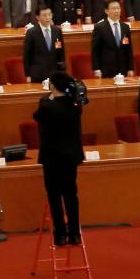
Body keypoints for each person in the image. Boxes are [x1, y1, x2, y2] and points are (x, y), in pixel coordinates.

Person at [34, 72, 85, 245]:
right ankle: (74, 233)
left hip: (52, 158)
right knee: (71, 194)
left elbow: (37, 116)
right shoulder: (75, 105)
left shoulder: (47, 106)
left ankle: (60, 234)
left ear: (53, 86)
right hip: (70, 157)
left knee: (54, 195)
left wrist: (49, 96)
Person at [22, 6, 66, 84]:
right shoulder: (31, 33)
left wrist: (62, 71)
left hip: (55, 73)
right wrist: (28, 75)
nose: (47, 17)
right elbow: (26, 56)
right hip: (38, 74)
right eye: (44, 15)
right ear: (38, 17)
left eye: (49, 14)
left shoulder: (57, 31)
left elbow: (61, 52)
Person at [90, 0, 133, 78]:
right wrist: (96, 69)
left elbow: (129, 50)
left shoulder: (125, 27)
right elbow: (95, 50)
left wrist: (130, 68)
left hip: (123, 69)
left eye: (118, 8)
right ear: (106, 11)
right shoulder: (99, 27)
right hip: (106, 69)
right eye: (113, 8)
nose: (117, 11)